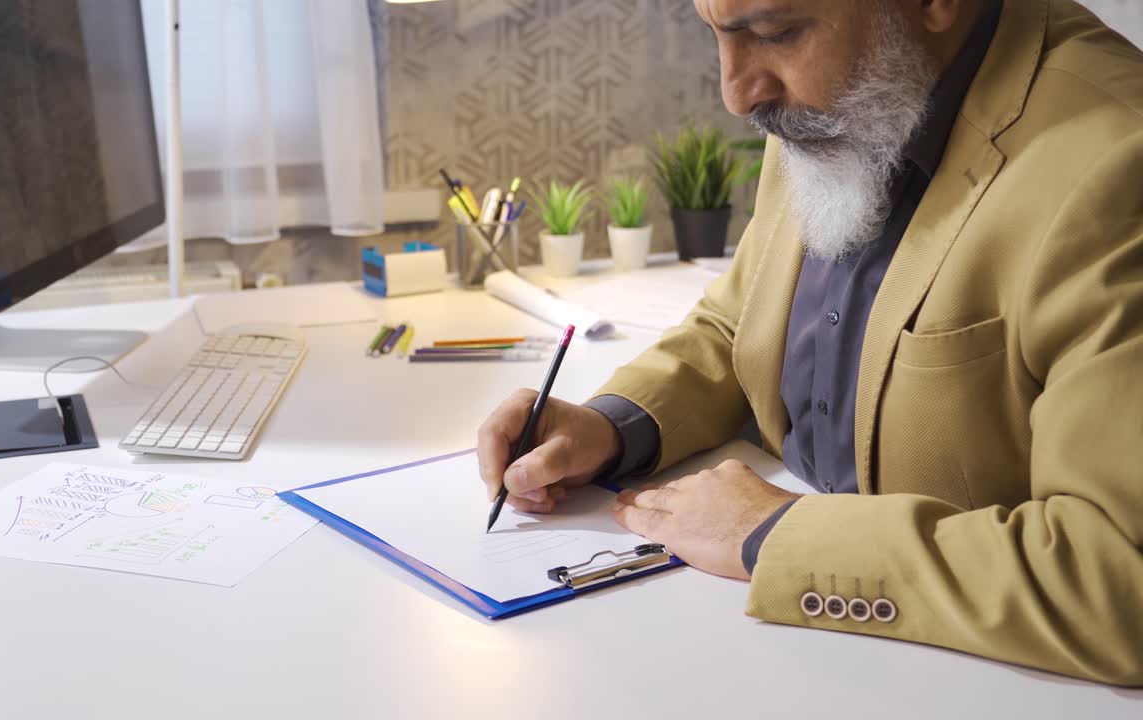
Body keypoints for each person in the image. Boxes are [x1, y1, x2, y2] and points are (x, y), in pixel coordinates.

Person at [477, 0, 1143, 685]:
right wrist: (611, 426)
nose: (736, 94)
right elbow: (743, 321)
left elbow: (1118, 577)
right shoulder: (830, 91)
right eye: (715, 32)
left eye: (774, 33)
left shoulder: (1117, 161)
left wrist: (775, 537)